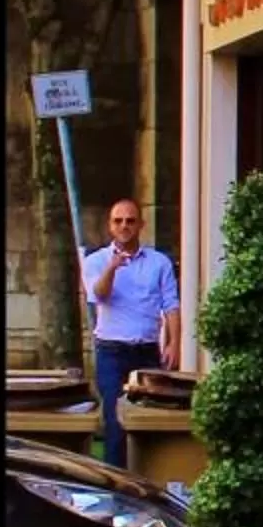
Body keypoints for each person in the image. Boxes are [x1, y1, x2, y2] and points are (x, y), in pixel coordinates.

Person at [82, 197, 181, 469]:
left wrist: (174, 343)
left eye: (130, 220)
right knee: (115, 423)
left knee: (148, 419)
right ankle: (117, 487)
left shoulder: (159, 262)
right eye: (118, 221)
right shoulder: (95, 261)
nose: (124, 226)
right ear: (110, 226)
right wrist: (112, 268)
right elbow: (98, 296)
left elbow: (171, 304)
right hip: (112, 352)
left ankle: (146, 482)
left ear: (140, 225)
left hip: (147, 351)